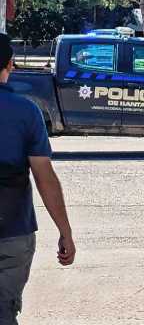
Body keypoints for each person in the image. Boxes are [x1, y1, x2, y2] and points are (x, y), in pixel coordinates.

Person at [0, 34, 75, 325]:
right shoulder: (26, 112)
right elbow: (45, 177)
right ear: (10, 65)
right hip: (13, 232)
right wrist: (65, 231)